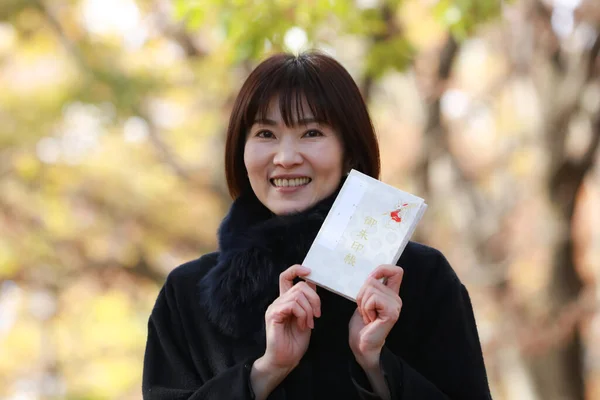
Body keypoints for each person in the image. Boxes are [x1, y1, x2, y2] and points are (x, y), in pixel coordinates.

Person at [142, 51, 492, 400]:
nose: (286, 157)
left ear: (349, 151)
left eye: (311, 132)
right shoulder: (185, 294)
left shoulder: (420, 278)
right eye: (266, 133)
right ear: (240, 151)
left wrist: (375, 365)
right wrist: (266, 371)